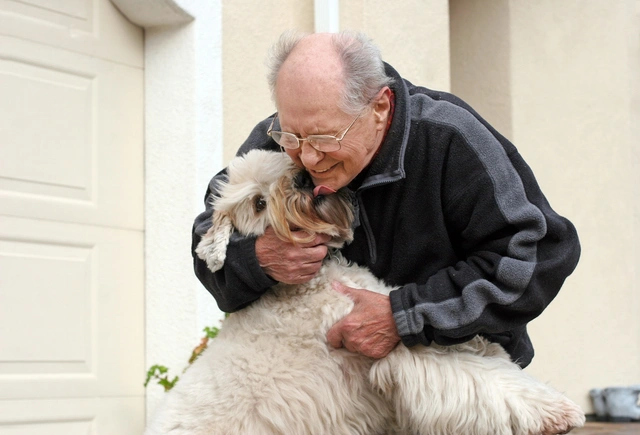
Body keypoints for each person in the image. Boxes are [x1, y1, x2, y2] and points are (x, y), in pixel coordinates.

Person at [191, 30, 580, 368]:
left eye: (325, 139)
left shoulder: (450, 138)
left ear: (380, 107)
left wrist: (405, 315)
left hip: (465, 380)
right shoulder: (276, 138)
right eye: (293, 137)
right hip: (343, 392)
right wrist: (256, 259)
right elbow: (210, 239)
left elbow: (536, 254)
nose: (307, 158)